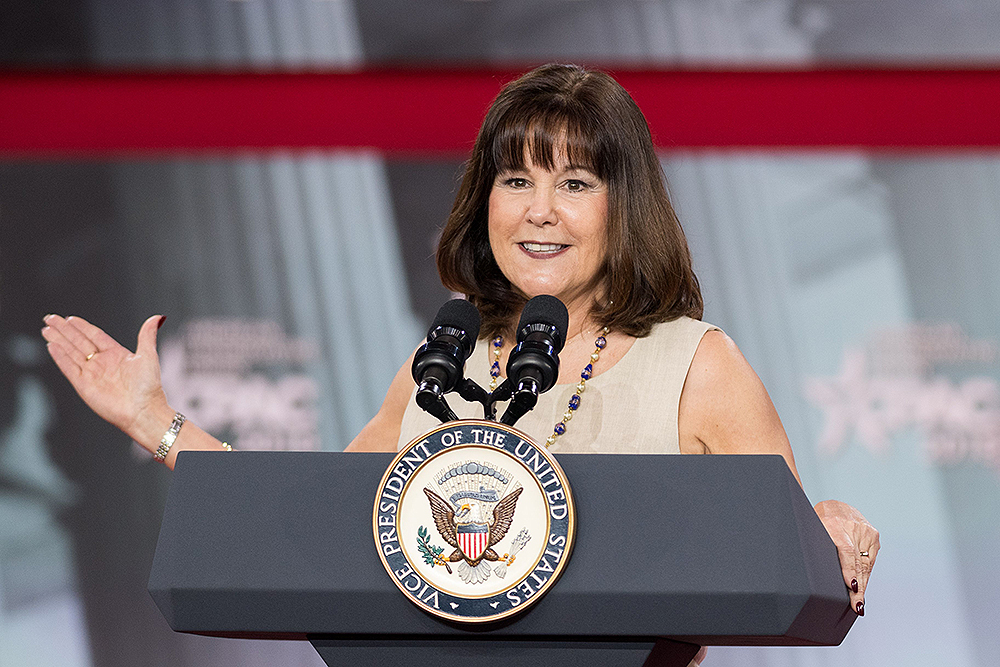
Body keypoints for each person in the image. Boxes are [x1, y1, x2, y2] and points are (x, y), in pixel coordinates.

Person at [41, 64, 878, 652]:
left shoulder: (696, 363)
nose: (538, 212)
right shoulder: (438, 368)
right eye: (515, 181)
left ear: (625, 206)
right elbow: (313, 530)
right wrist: (157, 421)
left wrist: (831, 520)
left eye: (576, 183)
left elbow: (787, 547)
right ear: (485, 201)